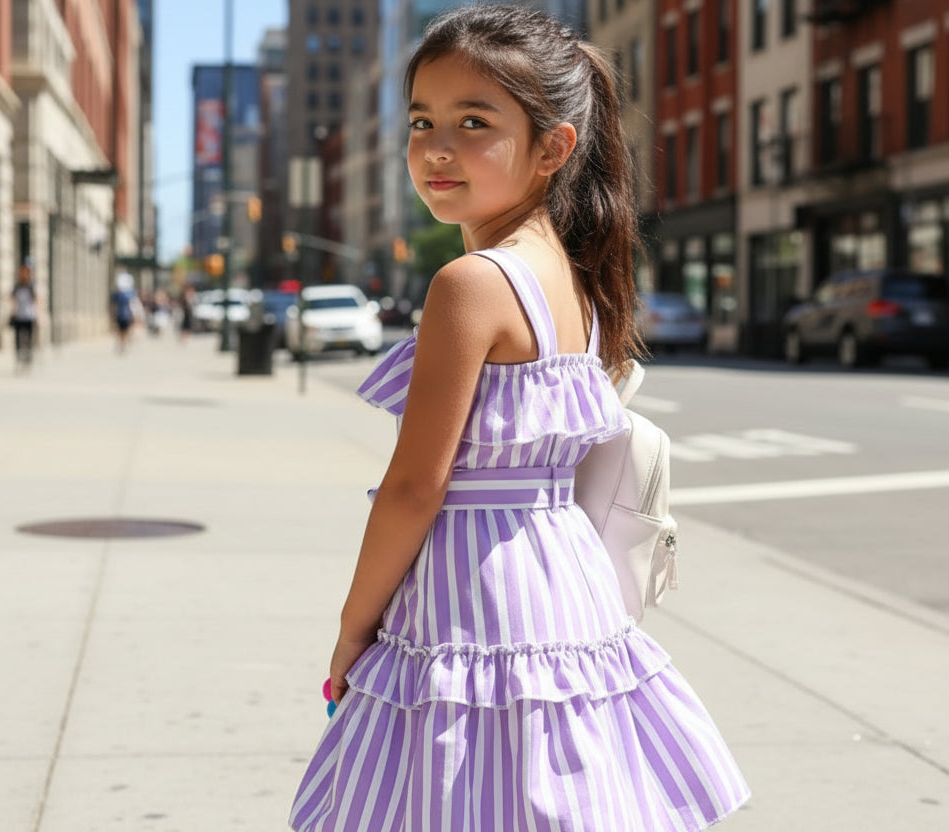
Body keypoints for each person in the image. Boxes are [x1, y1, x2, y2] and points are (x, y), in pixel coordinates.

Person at [288, 7, 749, 831]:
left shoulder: (471, 286)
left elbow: (414, 488)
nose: (436, 147)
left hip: (473, 594)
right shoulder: (576, 281)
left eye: (474, 122)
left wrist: (353, 632)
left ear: (553, 148)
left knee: (454, 800)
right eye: (422, 120)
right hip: (562, 584)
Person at [9, 259, 39, 373]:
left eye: (26, 272)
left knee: (28, 340)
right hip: (18, 316)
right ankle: (18, 360)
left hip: (29, 316)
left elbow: (36, 300)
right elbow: (12, 299)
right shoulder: (17, 286)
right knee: (18, 340)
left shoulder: (31, 286)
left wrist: (38, 314)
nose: (23, 274)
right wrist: (12, 312)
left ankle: (28, 359)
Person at [109, 272, 139, 353]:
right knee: (123, 330)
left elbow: (112, 304)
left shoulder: (118, 294)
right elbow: (133, 306)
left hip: (120, 315)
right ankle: (122, 343)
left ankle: (122, 343)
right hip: (125, 315)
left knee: (120, 330)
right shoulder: (129, 294)